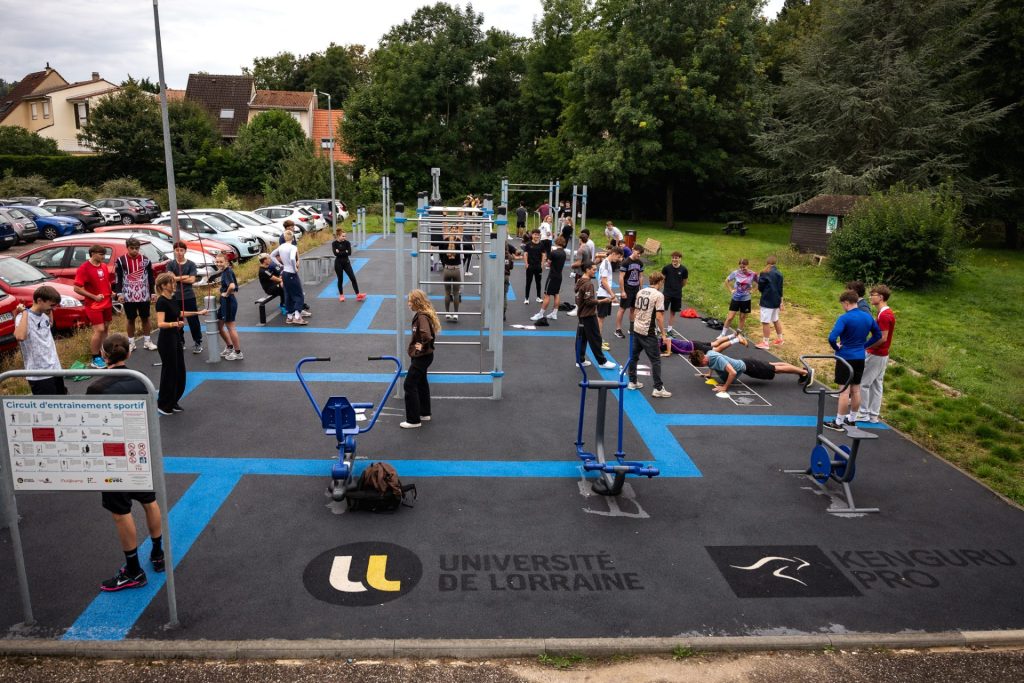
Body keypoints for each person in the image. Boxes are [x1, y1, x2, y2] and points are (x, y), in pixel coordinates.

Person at [88, 333, 165, 591]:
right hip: (140, 451)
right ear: (128, 353)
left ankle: (133, 571)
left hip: (113, 458)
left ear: (103, 355)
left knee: (121, 513)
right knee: (149, 501)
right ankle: (158, 553)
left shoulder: (96, 388)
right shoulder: (140, 380)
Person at [824, 289, 882, 431]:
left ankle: (838, 422)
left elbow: (832, 338)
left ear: (846, 303)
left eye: (842, 304)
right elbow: (878, 335)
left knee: (844, 391)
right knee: (856, 390)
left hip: (845, 357)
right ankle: (852, 419)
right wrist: (865, 345)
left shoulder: (844, 318)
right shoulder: (868, 317)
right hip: (860, 357)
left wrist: (837, 348)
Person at [154, 272, 208, 415]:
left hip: (175, 337)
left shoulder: (172, 298)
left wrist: (198, 313)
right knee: (169, 372)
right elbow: (160, 323)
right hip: (166, 340)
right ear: (163, 286)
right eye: (172, 282)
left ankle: (173, 400)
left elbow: (180, 313)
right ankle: (163, 404)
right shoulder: (161, 301)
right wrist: (173, 324)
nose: (175, 285)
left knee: (179, 371)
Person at [14, 285, 66, 395]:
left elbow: (50, 324)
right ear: (39, 301)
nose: (53, 308)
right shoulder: (23, 317)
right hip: (40, 375)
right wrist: (24, 312)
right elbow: (20, 336)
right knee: (48, 406)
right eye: (51, 305)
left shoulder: (44, 314)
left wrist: (49, 309)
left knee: (61, 402)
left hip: (55, 369)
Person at [626, 271, 672, 398]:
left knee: (634, 356)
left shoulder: (640, 291)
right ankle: (658, 388)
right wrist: (663, 334)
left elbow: (635, 311)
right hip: (648, 331)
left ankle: (632, 381)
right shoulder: (658, 295)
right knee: (656, 360)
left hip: (637, 328)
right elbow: (659, 317)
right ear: (660, 282)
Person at [689, 347, 813, 393]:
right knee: (773, 365)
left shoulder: (718, 359)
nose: (703, 365)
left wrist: (725, 387)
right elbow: (711, 365)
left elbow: (732, 372)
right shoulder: (708, 355)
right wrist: (709, 373)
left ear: (703, 358)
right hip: (747, 363)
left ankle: (806, 372)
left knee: (776, 369)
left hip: (749, 367)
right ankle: (801, 370)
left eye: (701, 364)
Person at [402, 289, 440, 429]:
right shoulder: (423, 314)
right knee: (421, 382)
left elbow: (427, 336)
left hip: (422, 357)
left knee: (409, 384)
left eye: (410, 301)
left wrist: (422, 347)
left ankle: (413, 420)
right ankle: (424, 413)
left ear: (416, 302)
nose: (408, 304)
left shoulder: (422, 317)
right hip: (425, 356)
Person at [858, 284, 895, 423]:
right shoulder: (885, 313)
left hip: (877, 354)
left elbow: (883, 338)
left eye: (872, 295)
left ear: (880, 297)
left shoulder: (884, 315)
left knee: (864, 383)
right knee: (876, 384)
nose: (870, 297)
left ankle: (863, 412)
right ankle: (873, 415)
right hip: (882, 354)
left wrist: (865, 346)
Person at [113, 237, 157, 353]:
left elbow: (151, 277)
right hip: (128, 295)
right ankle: (131, 343)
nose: (134, 250)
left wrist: (152, 292)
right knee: (130, 319)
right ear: (127, 248)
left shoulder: (145, 260)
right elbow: (118, 278)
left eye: (137, 248)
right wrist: (119, 293)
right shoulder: (120, 261)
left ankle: (147, 341)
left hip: (143, 294)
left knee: (145, 317)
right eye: (132, 248)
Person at [73, 244, 114, 369]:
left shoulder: (103, 266)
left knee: (106, 328)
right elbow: (77, 288)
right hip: (94, 305)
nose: (103, 257)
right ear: (93, 254)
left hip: (107, 302)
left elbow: (106, 281)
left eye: (104, 255)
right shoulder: (84, 268)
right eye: (101, 255)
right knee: (99, 330)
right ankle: (95, 357)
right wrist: (94, 297)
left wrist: (111, 291)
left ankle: (105, 353)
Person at [574, 261, 617, 370]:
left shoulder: (579, 281)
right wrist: (603, 301)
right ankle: (602, 362)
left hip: (581, 314)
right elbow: (589, 301)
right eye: (593, 269)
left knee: (581, 338)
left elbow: (579, 298)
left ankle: (580, 360)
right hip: (588, 315)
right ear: (587, 269)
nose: (595, 272)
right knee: (596, 338)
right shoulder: (588, 284)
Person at [166, 241, 205, 354]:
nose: (179, 252)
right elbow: (170, 279)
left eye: (181, 250)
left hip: (188, 296)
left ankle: (197, 342)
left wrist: (177, 278)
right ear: (174, 251)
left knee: (193, 320)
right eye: (177, 250)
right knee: (177, 320)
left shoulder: (191, 264)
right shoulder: (170, 264)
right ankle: (180, 341)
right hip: (174, 296)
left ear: (185, 251)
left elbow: (192, 280)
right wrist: (185, 276)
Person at [271, 230, 308, 325]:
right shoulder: (293, 247)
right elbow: (292, 258)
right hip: (291, 273)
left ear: (284, 237)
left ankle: (289, 316)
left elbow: (272, 255)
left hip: (285, 272)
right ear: (293, 238)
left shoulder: (281, 247)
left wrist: (280, 265)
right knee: (299, 294)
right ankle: (297, 317)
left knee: (288, 294)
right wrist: (295, 268)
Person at [531, 235, 567, 324]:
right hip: (559, 276)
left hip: (552, 276)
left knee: (547, 295)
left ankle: (541, 314)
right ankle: (554, 313)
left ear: (556, 242)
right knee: (556, 294)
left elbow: (548, 263)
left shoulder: (554, 253)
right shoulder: (564, 253)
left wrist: (546, 261)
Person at [214, 254, 242, 360]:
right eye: (217, 262)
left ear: (226, 262)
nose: (219, 264)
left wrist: (226, 294)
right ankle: (230, 347)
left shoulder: (227, 272)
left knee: (230, 327)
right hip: (224, 303)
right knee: (219, 326)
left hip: (229, 302)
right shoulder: (224, 271)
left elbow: (232, 286)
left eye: (221, 262)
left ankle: (238, 352)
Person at [614, 244, 644, 338]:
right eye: (638, 253)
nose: (639, 255)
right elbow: (621, 277)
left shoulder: (640, 263)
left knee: (633, 309)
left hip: (636, 289)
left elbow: (641, 276)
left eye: (640, 254)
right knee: (622, 309)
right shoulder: (625, 262)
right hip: (627, 288)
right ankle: (618, 329)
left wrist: (641, 289)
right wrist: (622, 291)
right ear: (633, 250)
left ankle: (631, 328)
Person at [596, 247, 623, 349]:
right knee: (600, 319)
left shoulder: (607, 263)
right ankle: (598, 342)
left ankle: (598, 339)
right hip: (604, 294)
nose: (619, 259)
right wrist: (612, 295)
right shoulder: (606, 264)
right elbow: (604, 281)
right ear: (614, 253)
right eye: (618, 257)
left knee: (601, 319)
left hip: (605, 294)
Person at [756, 255, 785, 349]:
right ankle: (780, 339)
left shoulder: (764, 272)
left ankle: (765, 343)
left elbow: (760, 287)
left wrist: (763, 291)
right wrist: (781, 301)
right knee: (775, 319)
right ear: (775, 263)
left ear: (767, 262)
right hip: (776, 300)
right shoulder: (779, 273)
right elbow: (780, 288)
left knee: (765, 321)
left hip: (767, 300)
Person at [722, 258, 756, 337]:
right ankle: (722, 334)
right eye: (740, 267)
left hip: (746, 298)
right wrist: (731, 290)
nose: (742, 269)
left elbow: (759, 283)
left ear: (748, 265)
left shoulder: (753, 274)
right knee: (730, 317)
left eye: (744, 267)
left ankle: (737, 334)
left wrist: (752, 291)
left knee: (742, 317)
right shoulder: (736, 273)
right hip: (736, 298)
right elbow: (727, 281)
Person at [332, 226, 364, 302]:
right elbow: (335, 254)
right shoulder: (334, 243)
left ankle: (358, 294)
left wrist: (339, 251)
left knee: (353, 278)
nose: (344, 237)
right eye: (343, 236)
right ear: (338, 236)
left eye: (345, 236)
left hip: (346, 263)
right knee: (340, 279)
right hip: (338, 264)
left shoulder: (347, 243)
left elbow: (349, 253)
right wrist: (344, 251)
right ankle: (341, 295)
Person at [439, 225, 464, 322]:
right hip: (456, 270)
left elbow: (444, 228)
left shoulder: (445, 241)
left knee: (447, 293)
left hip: (447, 270)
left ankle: (447, 313)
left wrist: (445, 216)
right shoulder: (458, 241)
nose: (454, 230)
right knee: (456, 293)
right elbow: (461, 228)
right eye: (454, 229)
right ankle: (456, 314)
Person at [661, 251, 689, 334]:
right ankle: (659, 328)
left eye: (676, 258)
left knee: (673, 312)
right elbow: (662, 280)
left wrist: (677, 288)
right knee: (662, 311)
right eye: (673, 258)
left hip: (677, 294)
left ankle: (669, 329)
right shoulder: (666, 268)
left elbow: (684, 282)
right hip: (667, 293)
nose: (674, 259)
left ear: (680, 259)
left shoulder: (684, 270)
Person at [257, 253, 288, 318]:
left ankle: (285, 303)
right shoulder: (263, 271)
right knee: (283, 285)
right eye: (268, 258)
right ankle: (283, 305)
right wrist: (284, 280)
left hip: (274, 285)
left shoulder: (266, 268)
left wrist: (282, 277)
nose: (270, 259)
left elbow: (277, 276)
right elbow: (275, 279)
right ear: (265, 260)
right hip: (269, 289)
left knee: (283, 286)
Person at [522, 229, 546, 304]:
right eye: (535, 234)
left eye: (538, 235)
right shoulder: (528, 244)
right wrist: (526, 264)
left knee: (538, 282)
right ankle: (526, 298)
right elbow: (525, 254)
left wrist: (542, 264)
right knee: (528, 282)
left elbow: (543, 255)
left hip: (538, 266)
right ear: (532, 235)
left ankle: (538, 297)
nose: (537, 236)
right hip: (530, 266)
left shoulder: (541, 244)